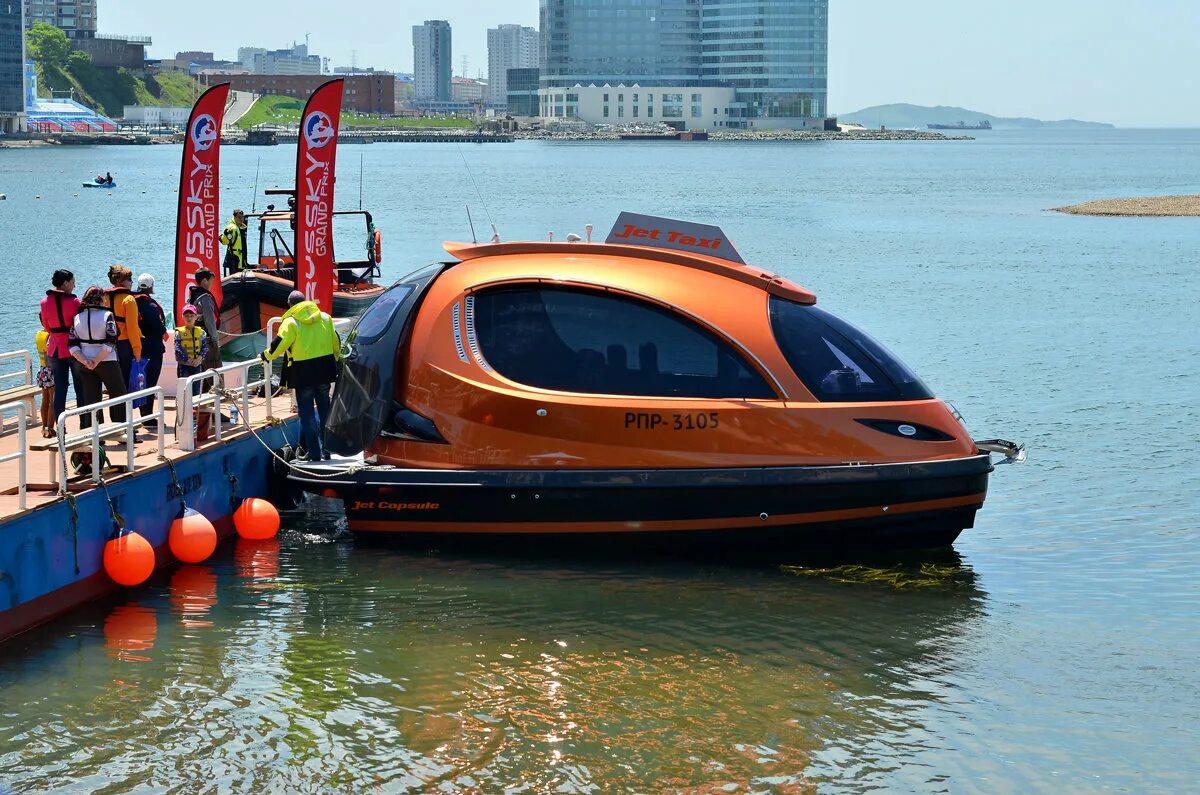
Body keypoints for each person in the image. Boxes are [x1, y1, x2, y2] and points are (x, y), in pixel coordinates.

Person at [261, 290, 342, 461]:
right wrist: (336, 358)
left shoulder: (291, 322)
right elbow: (336, 342)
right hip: (325, 370)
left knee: (307, 414)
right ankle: (327, 450)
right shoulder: (325, 318)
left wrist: (266, 356)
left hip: (303, 373)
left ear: (290, 305)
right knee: (325, 410)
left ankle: (314, 454)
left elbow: (279, 344)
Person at [69, 286, 127, 430]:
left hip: (84, 364)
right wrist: (97, 360)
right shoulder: (107, 315)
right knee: (118, 394)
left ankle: (96, 433)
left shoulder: (77, 317)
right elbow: (111, 341)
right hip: (107, 362)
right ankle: (119, 430)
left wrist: (85, 360)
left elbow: (72, 344)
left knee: (92, 399)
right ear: (101, 299)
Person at [39, 269, 81, 434]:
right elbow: (80, 325)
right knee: (80, 387)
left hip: (55, 348)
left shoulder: (44, 303)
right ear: (65, 283)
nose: (74, 285)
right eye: (72, 282)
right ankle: (84, 425)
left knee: (60, 389)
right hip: (73, 348)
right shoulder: (75, 302)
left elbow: (47, 327)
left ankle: (60, 427)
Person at [134, 273, 168, 427]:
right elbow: (160, 327)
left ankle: (143, 415)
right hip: (153, 350)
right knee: (150, 383)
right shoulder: (151, 306)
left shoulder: (130, 303)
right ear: (151, 287)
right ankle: (147, 417)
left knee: (140, 383)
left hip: (136, 349)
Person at [105, 265, 143, 389]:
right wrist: (137, 351)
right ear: (120, 281)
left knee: (112, 385)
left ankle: (113, 408)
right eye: (129, 279)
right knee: (125, 384)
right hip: (124, 346)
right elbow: (132, 328)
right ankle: (124, 408)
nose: (132, 282)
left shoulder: (103, 297)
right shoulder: (128, 299)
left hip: (107, 346)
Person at [187, 267, 222, 372]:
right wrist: (215, 340)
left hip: (195, 339)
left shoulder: (192, 297)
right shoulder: (205, 298)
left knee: (202, 373)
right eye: (211, 280)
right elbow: (209, 321)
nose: (212, 283)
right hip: (207, 341)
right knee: (215, 373)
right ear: (204, 281)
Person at [174, 304, 208, 396]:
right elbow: (177, 348)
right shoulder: (178, 333)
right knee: (184, 389)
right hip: (184, 365)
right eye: (186, 316)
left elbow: (205, 347)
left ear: (196, 317)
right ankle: (184, 408)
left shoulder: (201, 332)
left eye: (191, 316)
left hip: (197, 365)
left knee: (196, 389)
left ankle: (195, 408)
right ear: (182, 317)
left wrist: (199, 359)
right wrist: (187, 359)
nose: (189, 318)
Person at [34, 328, 54, 437]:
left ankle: (44, 427)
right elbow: (48, 357)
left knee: (45, 400)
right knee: (52, 401)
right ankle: (50, 429)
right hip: (50, 370)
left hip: (42, 370)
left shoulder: (38, 334)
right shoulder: (49, 335)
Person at [220, 209, 248, 274]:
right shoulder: (232, 228)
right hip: (234, 257)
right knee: (234, 275)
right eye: (239, 217)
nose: (241, 219)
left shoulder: (241, 227)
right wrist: (226, 235)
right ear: (234, 217)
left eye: (242, 217)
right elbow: (224, 242)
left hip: (240, 258)